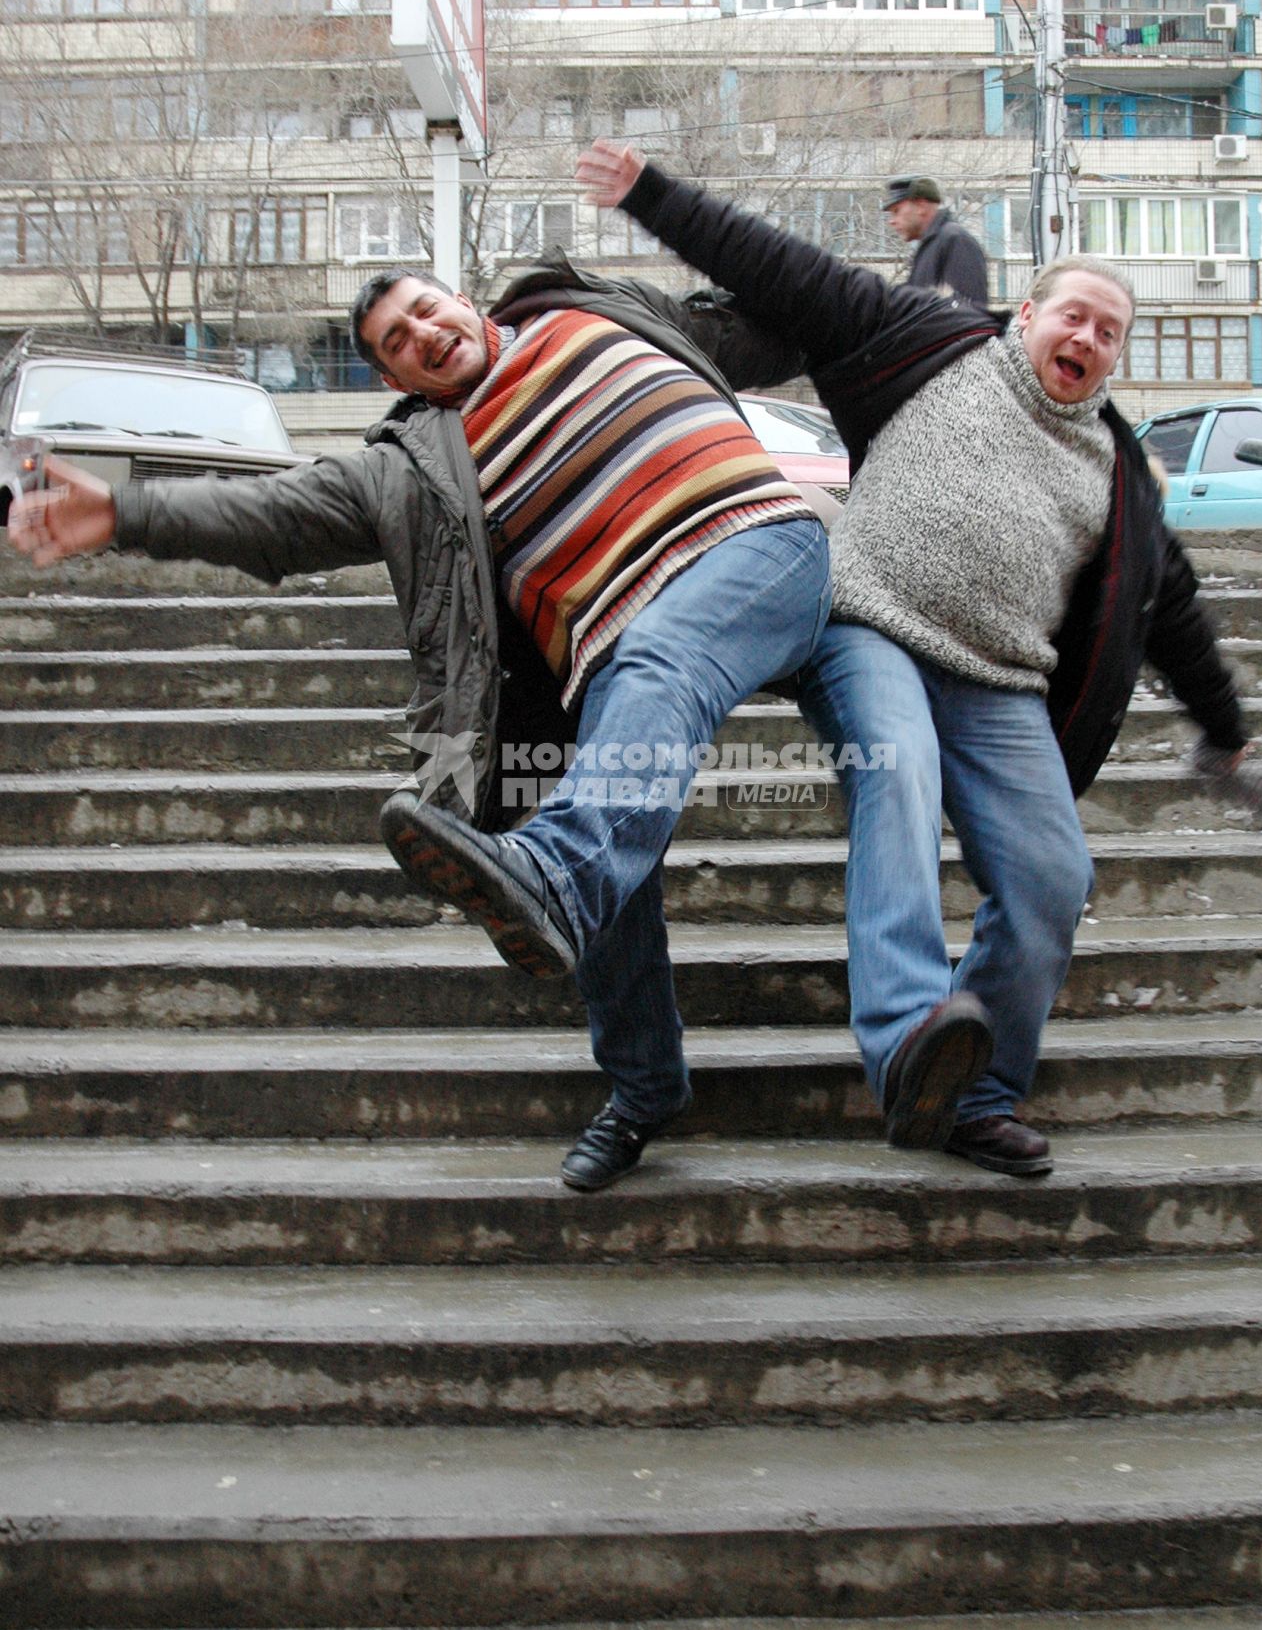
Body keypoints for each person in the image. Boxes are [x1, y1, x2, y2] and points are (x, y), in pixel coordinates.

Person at [6, 261, 830, 1193]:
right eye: (396, 343)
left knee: (641, 690)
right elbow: (275, 513)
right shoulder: (410, 465)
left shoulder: (601, 313)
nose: (423, 334)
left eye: (426, 310)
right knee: (602, 862)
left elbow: (792, 317)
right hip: (594, 647)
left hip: (752, 550)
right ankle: (644, 1089)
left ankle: (552, 873)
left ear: (467, 303)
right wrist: (126, 509)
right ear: (396, 381)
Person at [576, 137, 1258, 1179]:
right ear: (1023, 316)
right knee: (893, 789)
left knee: (1049, 873)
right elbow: (782, 265)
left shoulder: (1119, 474)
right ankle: (904, 1043)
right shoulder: (928, 341)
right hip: (867, 628)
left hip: (999, 684)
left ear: (1114, 358)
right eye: (1069, 314)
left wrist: (1225, 734)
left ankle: (970, 1091)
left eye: (1106, 333)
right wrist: (651, 196)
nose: (1084, 336)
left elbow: (1174, 617)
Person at [882, 175, 989, 308]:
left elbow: (970, 312)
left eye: (896, 211)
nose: (891, 221)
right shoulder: (930, 245)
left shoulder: (955, 240)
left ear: (921, 206)